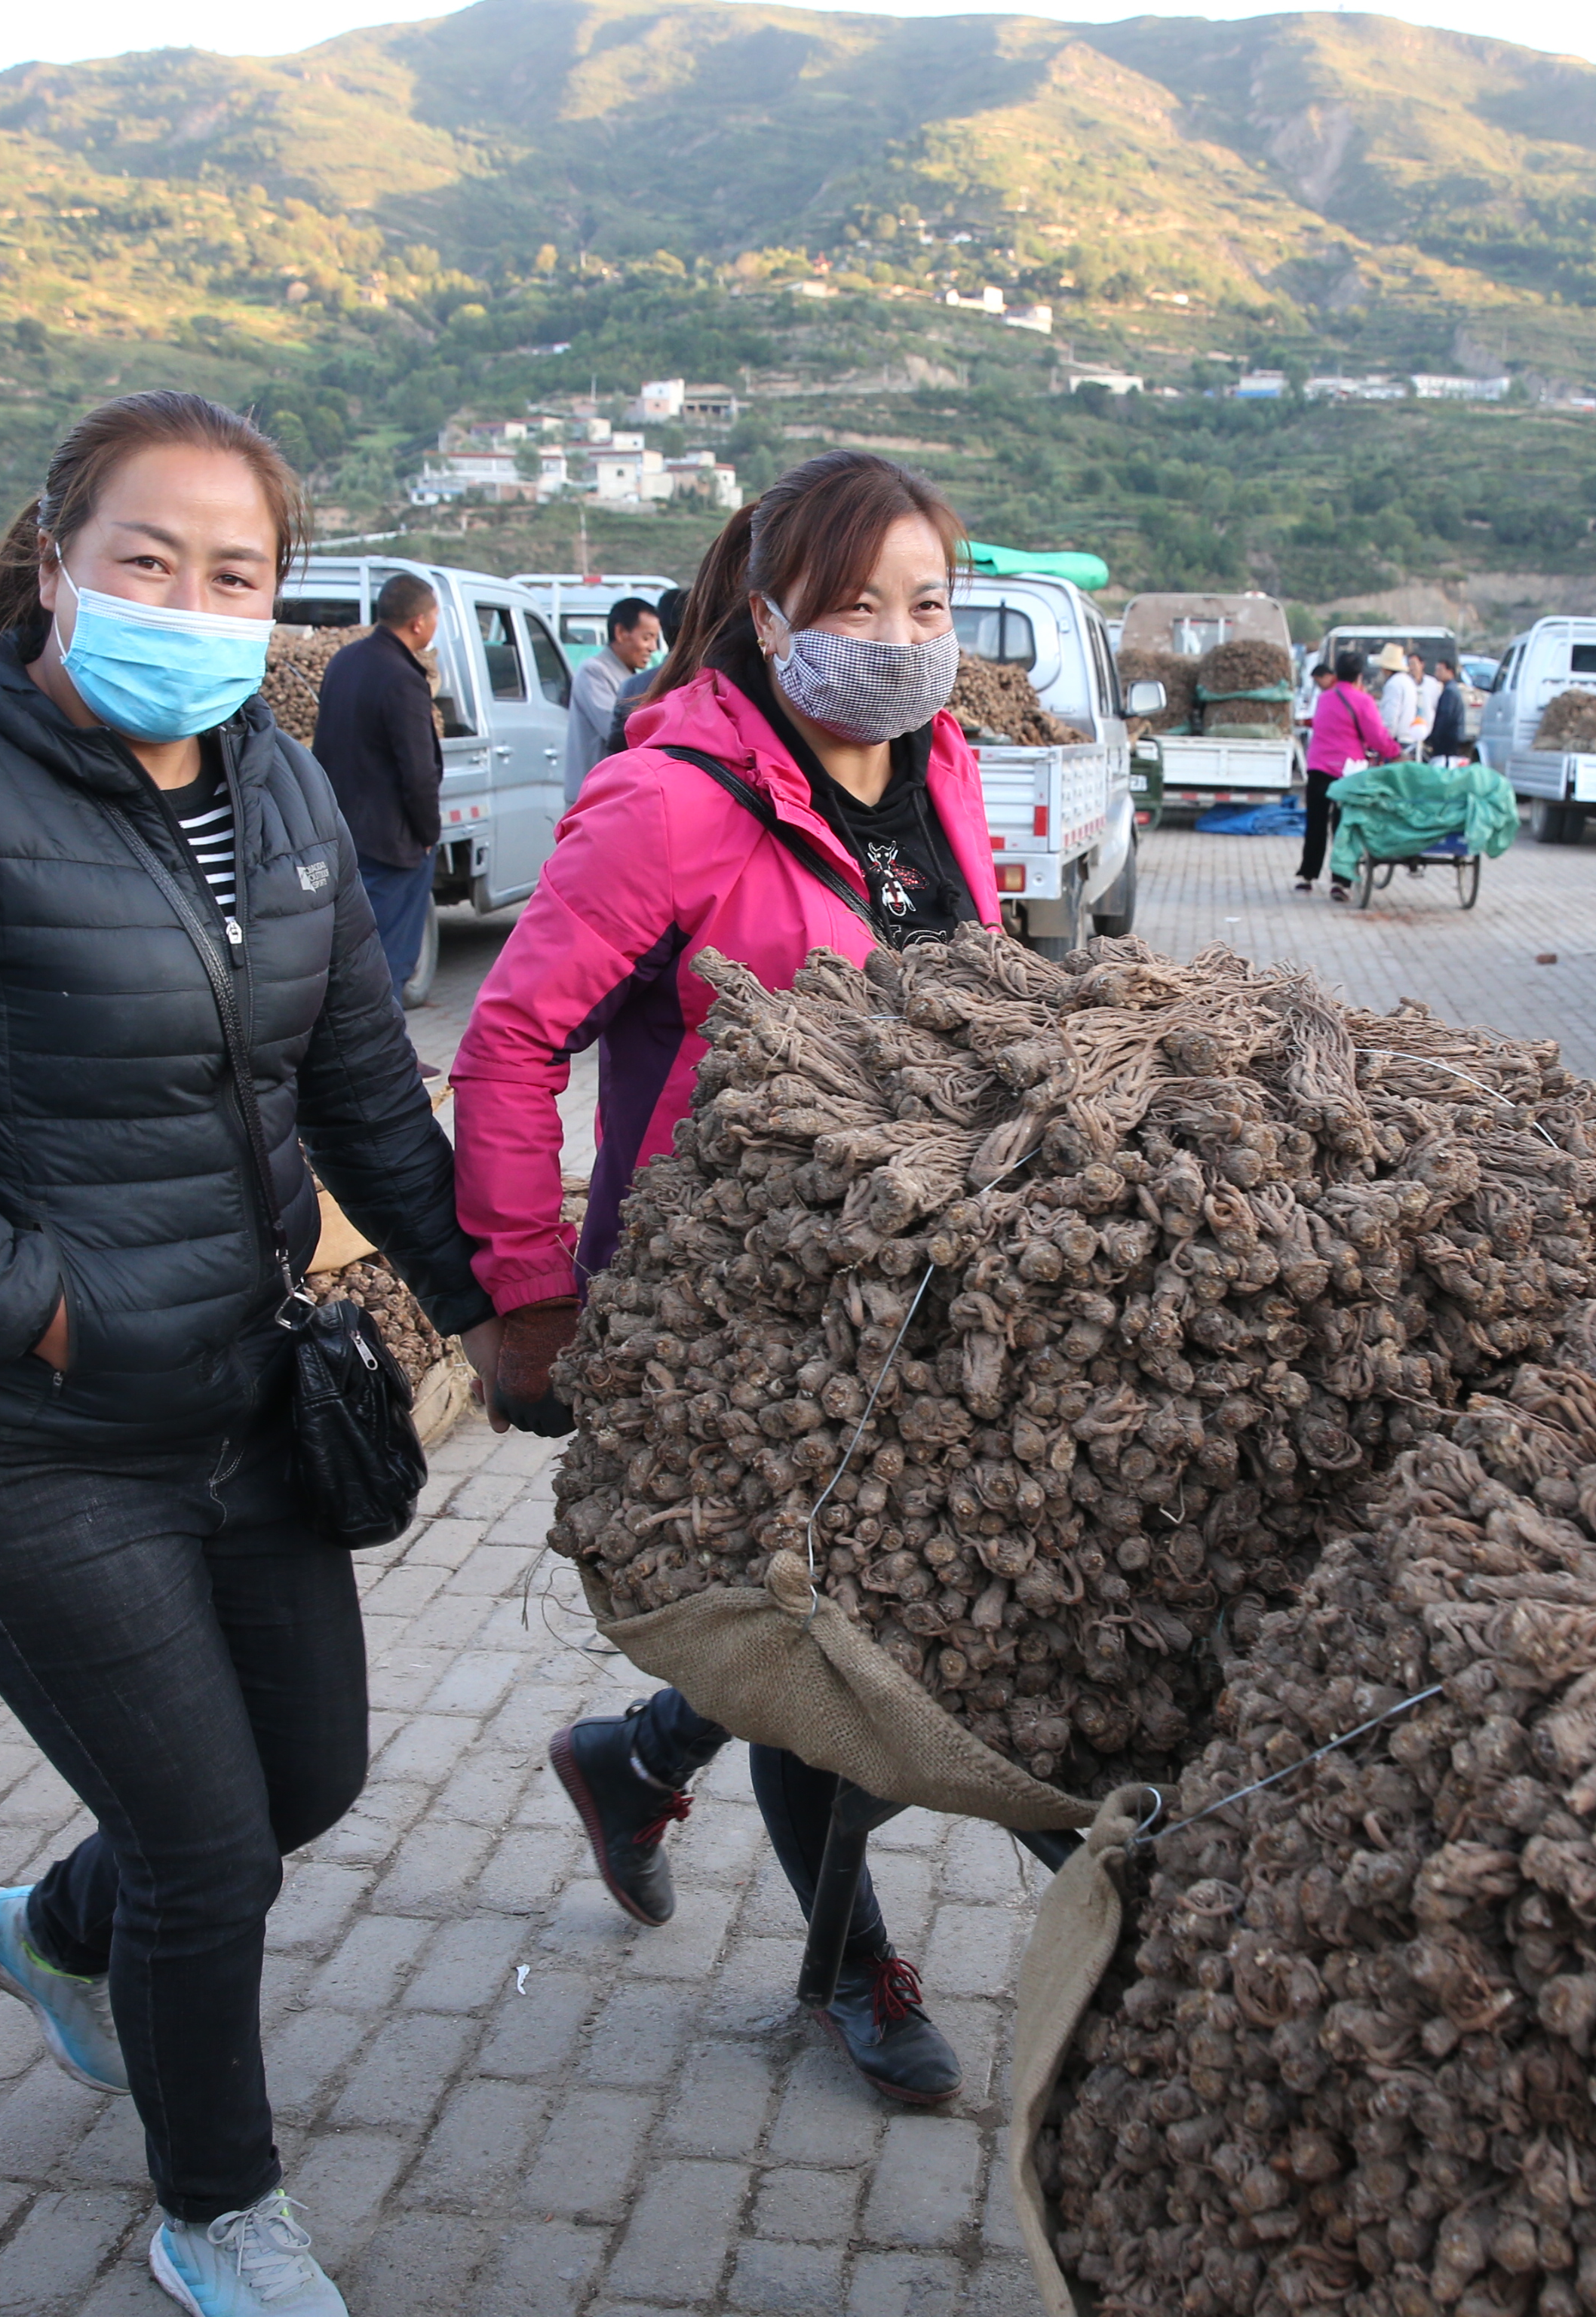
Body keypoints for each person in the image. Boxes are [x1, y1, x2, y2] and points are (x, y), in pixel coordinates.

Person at [0, 390, 493, 2317]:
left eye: (236, 571)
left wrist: (496, 1299)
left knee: (304, 1779)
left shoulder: (277, 780)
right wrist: (33, 1299)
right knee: (209, 1847)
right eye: (148, 558)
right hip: (24, 1430)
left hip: (240, 1385)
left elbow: (367, 1088)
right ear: (56, 562)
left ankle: (55, 1937)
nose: (189, 599)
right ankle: (218, 2201)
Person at [450, 450, 998, 2107]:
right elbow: (508, 1042)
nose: (896, 642)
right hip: (734, 1311)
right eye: (853, 609)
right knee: (823, 1637)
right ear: (766, 618)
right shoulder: (671, 798)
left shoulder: (944, 766)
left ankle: (636, 1756)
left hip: (913, 1291)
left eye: (926, 605)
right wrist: (530, 1295)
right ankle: (846, 1965)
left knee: (897, 1626)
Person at [313, 571, 444, 1008]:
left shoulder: (345, 661)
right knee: (389, 957)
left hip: (343, 830)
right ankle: (387, 1059)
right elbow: (418, 771)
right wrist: (428, 833)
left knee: (350, 952)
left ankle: (382, 1054)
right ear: (420, 622)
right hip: (393, 842)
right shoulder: (403, 678)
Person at [1300, 647, 1389, 898]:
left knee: (1315, 823)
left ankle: (1307, 876)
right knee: (1344, 826)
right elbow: (1376, 737)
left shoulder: (1325, 698)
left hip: (1317, 768)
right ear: (1359, 676)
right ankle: (1340, 882)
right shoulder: (1363, 701)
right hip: (1347, 773)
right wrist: (1393, 751)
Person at [565, 593, 661, 803]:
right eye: (647, 638)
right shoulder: (595, 671)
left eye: (655, 639)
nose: (653, 648)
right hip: (591, 799)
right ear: (620, 632)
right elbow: (615, 731)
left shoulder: (631, 677)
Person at [602, 585, 694, 754]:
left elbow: (617, 752)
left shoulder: (635, 687)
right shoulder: (723, 682)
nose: (652, 648)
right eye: (647, 638)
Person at [1424, 652, 1474, 763]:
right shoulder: (1451, 690)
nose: (1437, 673)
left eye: (1440, 670)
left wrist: (1434, 737)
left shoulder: (1450, 692)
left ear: (1450, 672)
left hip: (1448, 742)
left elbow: (1445, 718)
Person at [1376, 642, 1425, 750]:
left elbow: (1390, 717)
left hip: (1398, 740)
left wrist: (1384, 742)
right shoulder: (1407, 681)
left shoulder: (1393, 684)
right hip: (1409, 737)